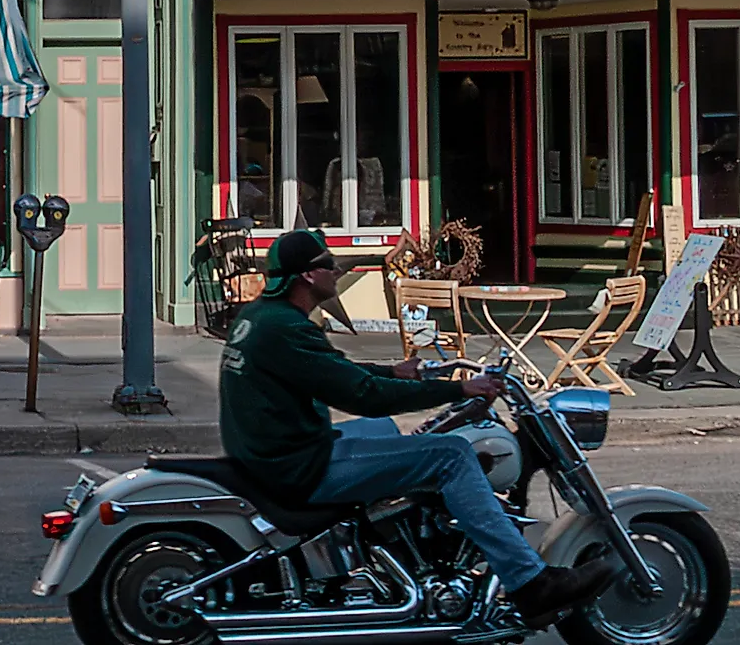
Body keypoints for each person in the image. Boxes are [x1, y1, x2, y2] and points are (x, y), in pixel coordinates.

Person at [219, 229, 620, 629]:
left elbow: (331, 371)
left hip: (277, 455)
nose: (336, 272)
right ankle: (531, 582)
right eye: (329, 264)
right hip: (297, 468)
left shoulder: (264, 317)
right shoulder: (287, 328)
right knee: (452, 455)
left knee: (387, 430)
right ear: (308, 275)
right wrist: (457, 389)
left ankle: (405, 556)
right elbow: (364, 395)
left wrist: (393, 371)